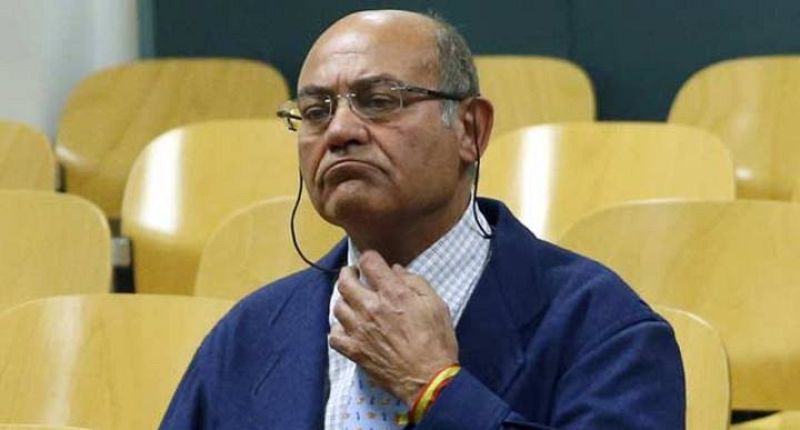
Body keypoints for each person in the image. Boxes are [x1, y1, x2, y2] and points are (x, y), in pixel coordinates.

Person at [161, 9, 685, 429]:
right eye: (316, 111)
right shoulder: (250, 334)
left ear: (470, 131)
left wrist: (435, 389)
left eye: (379, 101)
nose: (339, 131)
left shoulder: (605, 329)